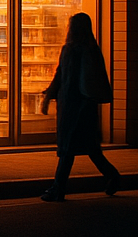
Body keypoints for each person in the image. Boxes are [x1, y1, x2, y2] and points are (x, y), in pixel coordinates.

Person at [39, 12, 122, 201]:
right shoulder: (91, 49)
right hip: (86, 105)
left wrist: (49, 96)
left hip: (71, 106)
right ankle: (112, 176)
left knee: (68, 148)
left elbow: (61, 75)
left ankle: (58, 188)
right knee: (90, 148)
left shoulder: (70, 49)